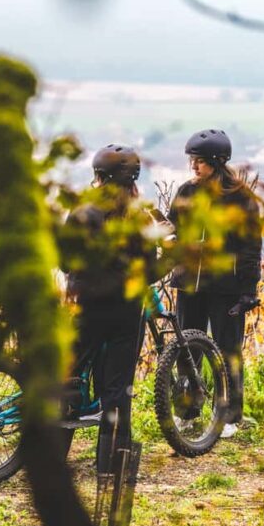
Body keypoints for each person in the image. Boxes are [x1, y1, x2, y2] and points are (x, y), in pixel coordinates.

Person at [60, 144, 157, 480]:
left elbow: (63, 259)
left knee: (69, 376)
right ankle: (112, 466)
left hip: (83, 306)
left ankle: (54, 456)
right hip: (124, 311)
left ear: (99, 177)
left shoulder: (82, 210)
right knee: (117, 388)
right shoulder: (140, 216)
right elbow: (151, 268)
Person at [167, 129, 262, 439]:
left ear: (218, 162)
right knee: (188, 351)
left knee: (226, 350)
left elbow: (251, 247)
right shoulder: (186, 192)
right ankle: (187, 412)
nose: (194, 167)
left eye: (200, 162)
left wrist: (249, 289)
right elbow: (174, 231)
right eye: (192, 160)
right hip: (190, 285)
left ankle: (231, 415)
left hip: (226, 288)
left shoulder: (240, 199)